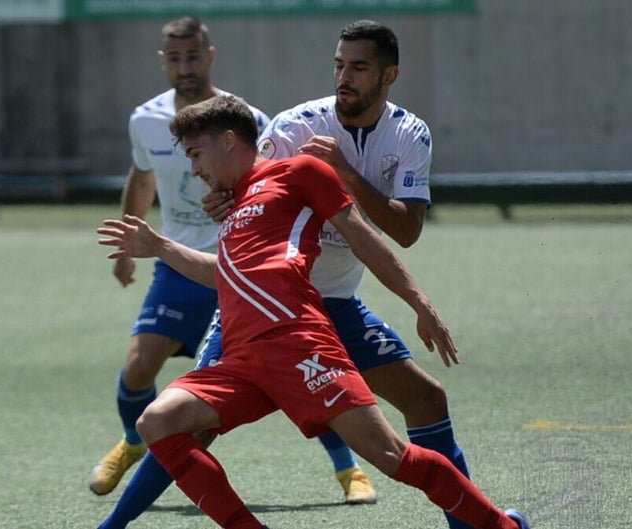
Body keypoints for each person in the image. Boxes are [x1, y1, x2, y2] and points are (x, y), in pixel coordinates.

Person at [97, 94, 530, 529]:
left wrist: (418, 301)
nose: (194, 170)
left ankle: (501, 526)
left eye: (196, 154)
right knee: (158, 420)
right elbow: (227, 275)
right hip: (243, 358)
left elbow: (362, 237)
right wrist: (159, 247)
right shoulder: (230, 208)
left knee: (390, 456)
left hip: (297, 342)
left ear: (228, 140)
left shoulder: (298, 172)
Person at [201, 19, 479, 529]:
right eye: (338, 65)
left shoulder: (409, 133)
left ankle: (467, 524)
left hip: (337, 304)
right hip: (272, 307)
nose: (343, 76)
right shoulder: (294, 127)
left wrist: (344, 175)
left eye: (358, 67)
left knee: (426, 399)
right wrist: (222, 197)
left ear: (389, 75)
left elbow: (406, 230)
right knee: (183, 426)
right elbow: (247, 196)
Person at [87, 15, 270, 496]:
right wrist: (126, 251)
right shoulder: (145, 119)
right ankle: (132, 444)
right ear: (163, 61)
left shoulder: (246, 117)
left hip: (238, 267)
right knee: (138, 367)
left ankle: (345, 466)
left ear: (210, 56)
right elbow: (142, 177)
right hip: (177, 263)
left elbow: (268, 184)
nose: (184, 66)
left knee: (285, 368)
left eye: (193, 56)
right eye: (175, 57)